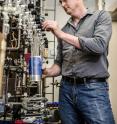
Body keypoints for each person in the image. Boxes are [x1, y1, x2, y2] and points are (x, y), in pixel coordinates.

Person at [42, 0, 115, 123]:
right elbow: (60, 64)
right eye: (60, 2)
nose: (63, 5)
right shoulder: (65, 29)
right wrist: (46, 71)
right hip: (66, 89)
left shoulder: (101, 16)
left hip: (93, 89)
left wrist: (61, 34)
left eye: (65, 0)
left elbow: (99, 46)